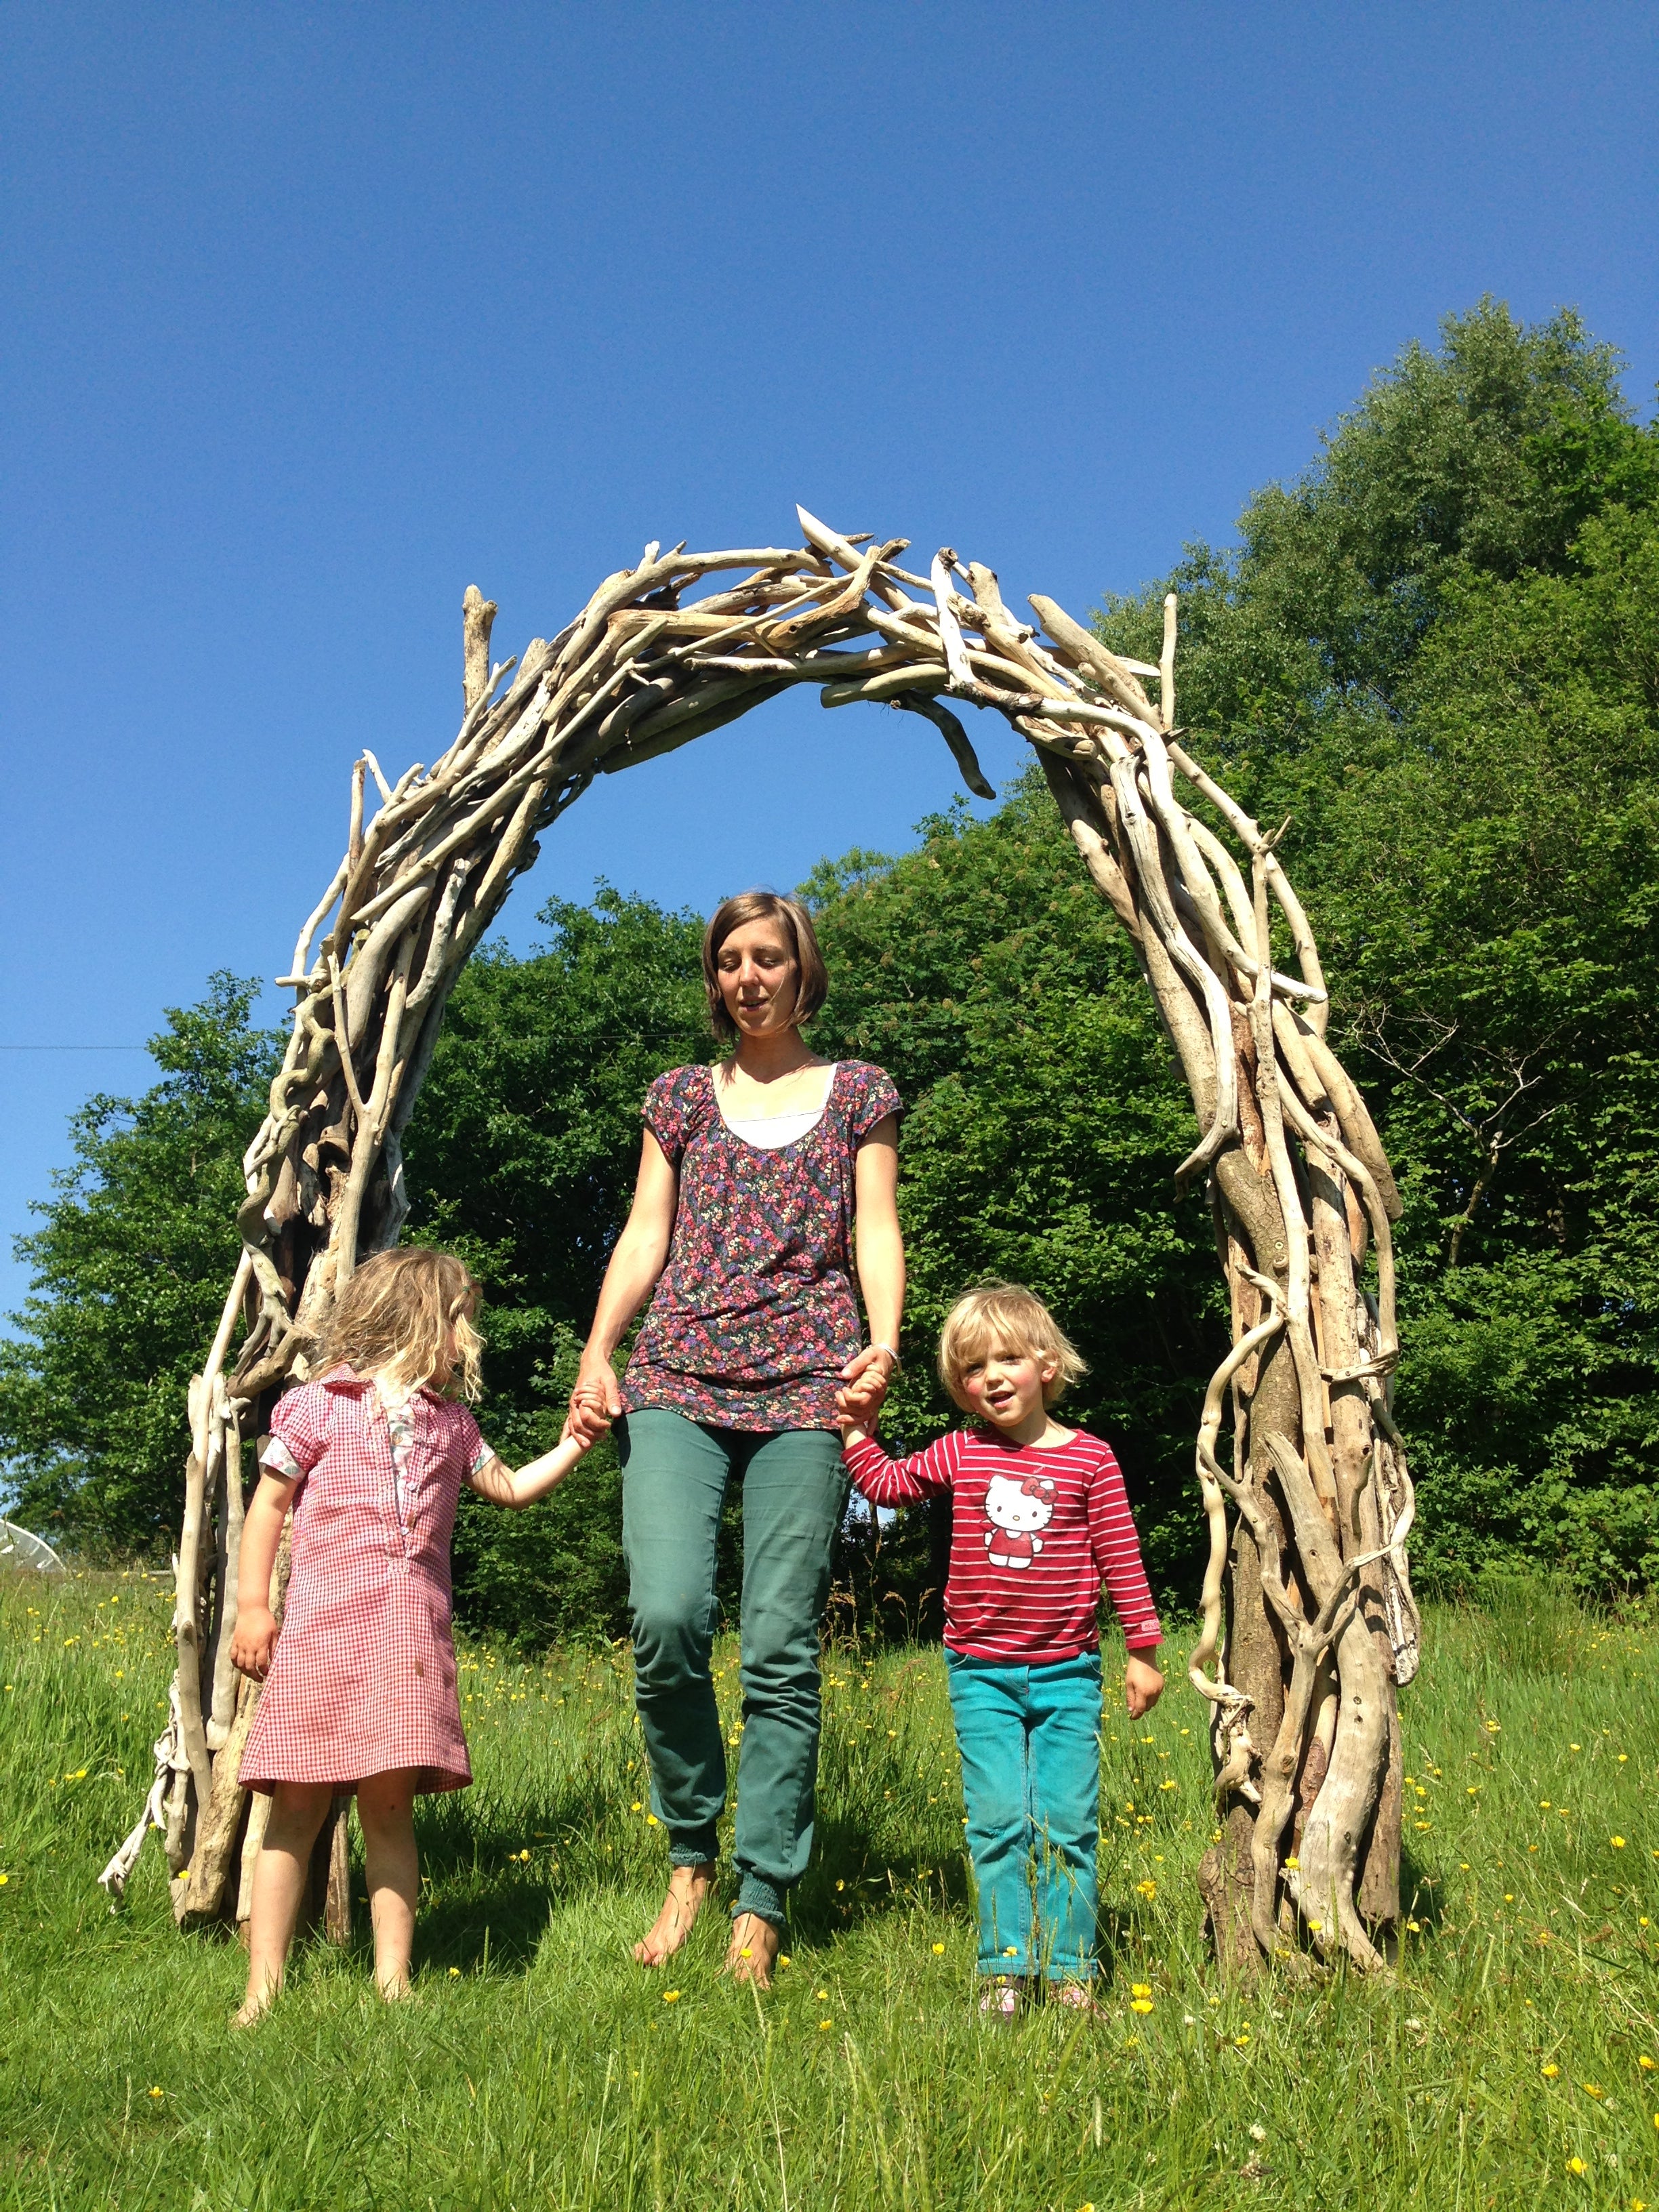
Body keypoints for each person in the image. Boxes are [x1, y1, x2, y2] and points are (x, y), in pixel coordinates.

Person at [565, 889, 903, 1987]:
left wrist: (885, 1343)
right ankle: (689, 1849)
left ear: (803, 968)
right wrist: (596, 1351)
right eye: (729, 959)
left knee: (778, 1643)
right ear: (713, 979)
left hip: (809, 1379)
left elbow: (873, 1225)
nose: (748, 974)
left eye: (768, 956)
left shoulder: (858, 1091)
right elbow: (644, 1230)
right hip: (675, 1374)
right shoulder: (678, 1097)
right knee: (665, 1615)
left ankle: (761, 1892)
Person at [229, 1246, 588, 2026]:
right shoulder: (318, 1406)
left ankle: (394, 1985)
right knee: (295, 1810)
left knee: (390, 1812)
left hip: (407, 1643)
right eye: (465, 1323)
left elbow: (513, 1487)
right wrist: (253, 1608)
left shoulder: (452, 1424)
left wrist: (575, 1440)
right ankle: (262, 1992)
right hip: (322, 1633)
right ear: (425, 1319)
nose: (471, 1340)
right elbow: (268, 1507)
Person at [840, 1282, 1163, 2015]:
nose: (992, 1377)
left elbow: (1121, 1557)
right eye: (974, 1369)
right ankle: (1004, 1969)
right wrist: (856, 1432)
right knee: (996, 1822)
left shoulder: (1091, 1460)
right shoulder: (961, 1451)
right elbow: (889, 1486)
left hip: (1070, 1675)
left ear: (1045, 1364)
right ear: (962, 1387)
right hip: (980, 1674)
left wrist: (1142, 1651)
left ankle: (1074, 1968)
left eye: (1008, 1358)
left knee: (1069, 1826)